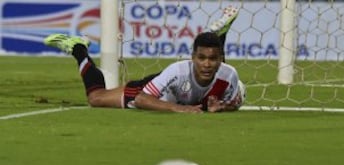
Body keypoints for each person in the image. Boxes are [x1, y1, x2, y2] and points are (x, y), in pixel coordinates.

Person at [44, 6, 245, 113]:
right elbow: (141, 99)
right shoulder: (177, 71)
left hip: (191, 96)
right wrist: (179, 109)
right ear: (192, 57)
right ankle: (78, 48)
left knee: (211, 72)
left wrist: (222, 108)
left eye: (213, 58)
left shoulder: (229, 77)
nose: (207, 63)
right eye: (201, 57)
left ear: (221, 59)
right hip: (163, 92)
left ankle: (219, 35)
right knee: (96, 98)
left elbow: (232, 104)